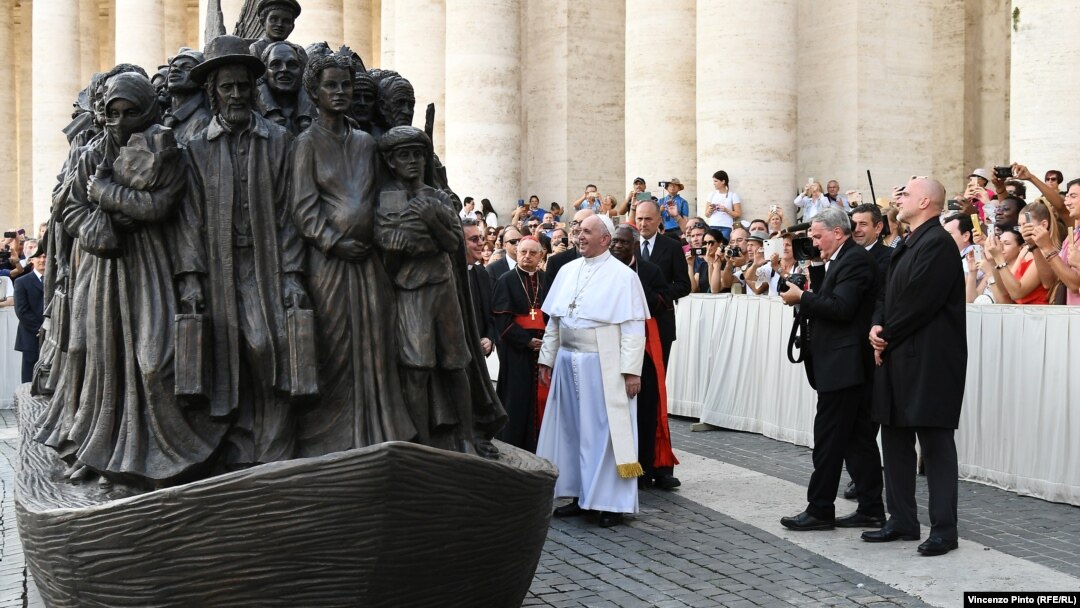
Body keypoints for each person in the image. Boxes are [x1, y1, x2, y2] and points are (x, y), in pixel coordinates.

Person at [43, 72, 227, 487]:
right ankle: (103, 456)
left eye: (130, 112)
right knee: (101, 361)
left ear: (146, 110)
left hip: (149, 267)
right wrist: (100, 225)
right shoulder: (91, 154)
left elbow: (164, 205)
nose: (122, 121)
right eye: (114, 112)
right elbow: (70, 208)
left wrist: (108, 197)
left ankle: (168, 454)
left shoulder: (169, 150)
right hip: (103, 268)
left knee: (151, 360)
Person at [182, 35, 310, 467]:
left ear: (253, 89)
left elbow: (290, 213)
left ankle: (275, 444)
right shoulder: (198, 147)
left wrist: (293, 274)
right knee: (226, 351)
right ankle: (234, 446)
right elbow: (190, 219)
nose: (235, 94)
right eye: (226, 87)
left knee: (265, 346)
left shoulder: (278, 141)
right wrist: (191, 278)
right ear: (214, 93)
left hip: (267, 263)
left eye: (242, 86)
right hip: (218, 268)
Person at [290, 52, 416, 456]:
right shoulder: (305, 144)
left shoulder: (365, 142)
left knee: (376, 345)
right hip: (328, 264)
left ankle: (377, 432)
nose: (340, 92)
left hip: (367, 262)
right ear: (314, 92)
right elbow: (303, 208)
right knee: (335, 347)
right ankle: (331, 440)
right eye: (331, 85)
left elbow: (381, 196)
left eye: (345, 85)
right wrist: (333, 241)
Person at [375, 125, 505, 457]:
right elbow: (390, 243)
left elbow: (451, 243)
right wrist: (420, 239)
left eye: (418, 154)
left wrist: (431, 222)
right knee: (417, 368)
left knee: (455, 362)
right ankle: (421, 441)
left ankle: (465, 435)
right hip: (410, 291)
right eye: (404, 155)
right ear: (391, 161)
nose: (413, 161)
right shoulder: (386, 198)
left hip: (443, 290)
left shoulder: (438, 198)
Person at [865, 177, 966, 557]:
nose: (898, 196)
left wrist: (885, 333)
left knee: (935, 444)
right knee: (893, 437)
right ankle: (902, 519)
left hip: (929, 362)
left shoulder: (938, 244)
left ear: (925, 201)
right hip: (896, 356)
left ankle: (944, 529)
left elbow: (919, 302)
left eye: (905, 192)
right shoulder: (904, 242)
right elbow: (886, 293)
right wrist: (876, 325)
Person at [538, 215, 650, 528]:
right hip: (568, 360)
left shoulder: (623, 277)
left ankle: (610, 503)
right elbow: (555, 322)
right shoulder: (567, 270)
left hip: (605, 364)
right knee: (573, 431)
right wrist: (547, 359)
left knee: (604, 434)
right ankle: (580, 495)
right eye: (578, 231)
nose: (580, 236)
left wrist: (631, 372)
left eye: (587, 231)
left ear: (604, 238)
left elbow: (632, 328)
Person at [778, 207, 884, 531]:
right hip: (841, 365)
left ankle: (820, 508)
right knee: (857, 439)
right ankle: (870, 508)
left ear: (838, 233)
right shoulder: (840, 259)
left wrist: (802, 297)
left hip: (845, 366)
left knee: (828, 439)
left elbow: (841, 307)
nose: (813, 241)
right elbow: (832, 296)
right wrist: (816, 272)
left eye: (817, 235)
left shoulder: (854, 260)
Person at [610, 224, 679, 491]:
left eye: (623, 242)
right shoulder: (602, 270)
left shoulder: (649, 272)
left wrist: (636, 289)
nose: (617, 246)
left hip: (645, 347)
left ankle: (649, 467)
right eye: (614, 241)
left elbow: (663, 300)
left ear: (634, 246)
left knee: (648, 406)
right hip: (611, 346)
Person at [492, 237, 548, 452]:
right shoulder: (506, 280)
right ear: (517, 253)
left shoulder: (546, 278)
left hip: (544, 348)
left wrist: (548, 339)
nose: (527, 257)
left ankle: (539, 445)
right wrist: (525, 341)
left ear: (541, 255)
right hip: (516, 352)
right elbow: (501, 320)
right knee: (516, 399)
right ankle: (513, 447)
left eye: (532, 253)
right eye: (523, 252)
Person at [1029, 178, 1080, 305]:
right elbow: (1051, 281)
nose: (1067, 202)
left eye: (1073, 196)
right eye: (1066, 197)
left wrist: (1048, 248)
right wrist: (1035, 246)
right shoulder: (1071, 236)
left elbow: (1074, 284)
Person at [257, 41, 315, 135]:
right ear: (265, 71)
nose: (284, 69)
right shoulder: (250, 115)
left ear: (302, 71)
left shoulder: (322, 114)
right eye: (276, 64)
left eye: (292, 65)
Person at [979, 229, 1048, 304]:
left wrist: (997, 259)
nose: (1001, 247)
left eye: (1007, 243)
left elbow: (1017, 294)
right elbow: (1004, 296)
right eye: (1000, 243)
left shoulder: (1033, 261)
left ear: (1021, 248)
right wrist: (992, 262)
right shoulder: (1005, 267)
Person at [162, 48, 212, 144]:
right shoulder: (165, 116)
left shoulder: (202, 120)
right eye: (173, 67)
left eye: (187, 68)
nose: (175, 70)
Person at [463, 219, 497, 356]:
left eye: (481, 238)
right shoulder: (445, 276)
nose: (481, 243)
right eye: (474, 239)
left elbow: (491, 313)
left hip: (478, 355)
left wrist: (489, 338)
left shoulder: (482, 273)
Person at [14, 246, 45, 383]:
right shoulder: (22, 281)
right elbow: (21, 310)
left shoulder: (59, 280)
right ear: (32, 260)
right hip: (31, 335)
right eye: (39, 257)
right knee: (29, 376)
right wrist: (40, 328)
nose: (42, 260)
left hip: (56, 335)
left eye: (45, 256)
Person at [705, 170, 741, 241]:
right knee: (712, 246)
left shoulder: (733, 195)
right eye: (713, 181)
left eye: (716, 181)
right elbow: (706, 214)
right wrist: (710, 210)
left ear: (723, 181)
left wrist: (726, 210)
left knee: (723, 247)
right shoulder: (711, 195)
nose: (714, 183)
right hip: (713, 226)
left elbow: (738, 214)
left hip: (726, 227)